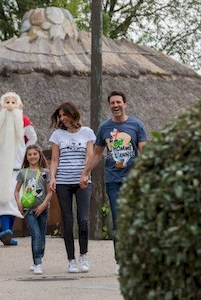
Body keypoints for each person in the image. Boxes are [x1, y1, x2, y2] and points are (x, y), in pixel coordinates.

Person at [79, 91, 147, 275]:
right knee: (118, 220)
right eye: (112, 103)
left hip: (134, 181)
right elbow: (96, 154)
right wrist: (85, 172)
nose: (115, 105)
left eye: (118, 102)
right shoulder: (104, 128)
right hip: (114, 180)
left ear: (125, 104)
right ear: (109, 106)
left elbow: (145, 150)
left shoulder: (136, 125)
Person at [0, 92, 37, 246]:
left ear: (19, 105)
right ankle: (5, 229)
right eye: (7, 101)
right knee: (2, 198)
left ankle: (8, 232)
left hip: (16, 166)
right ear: (1, 105)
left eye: (13, 101)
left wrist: (24, 152)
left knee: (15, 198)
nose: (10, 105)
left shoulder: (24, 121)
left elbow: (33, 138)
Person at [49, 102, 96, 273]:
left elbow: (90, 156)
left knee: (83, 219)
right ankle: (71, 259)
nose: (62, 118)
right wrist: (53, 177)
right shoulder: (57, 135)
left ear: (72, 114)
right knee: (67, 221)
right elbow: (54, 159)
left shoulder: (88, 132)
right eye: (60, 116)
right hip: (63, 181)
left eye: (64, 115)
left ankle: (84, 255)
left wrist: (86, 174)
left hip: (82, 181)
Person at [14, 144, 52, 275]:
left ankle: (38, 257)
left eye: (35, 154)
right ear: (26, 157)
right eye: (29, 154)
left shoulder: (45, 172)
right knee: (35, 234)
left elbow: (50, 192)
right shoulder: (23, 172)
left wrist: (43, 205)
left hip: (43, 208)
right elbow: (16, 190)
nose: (32, 156)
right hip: (28, 209)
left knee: (41, 235)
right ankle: (37, 262)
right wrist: (18, 204)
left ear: (39, 155)